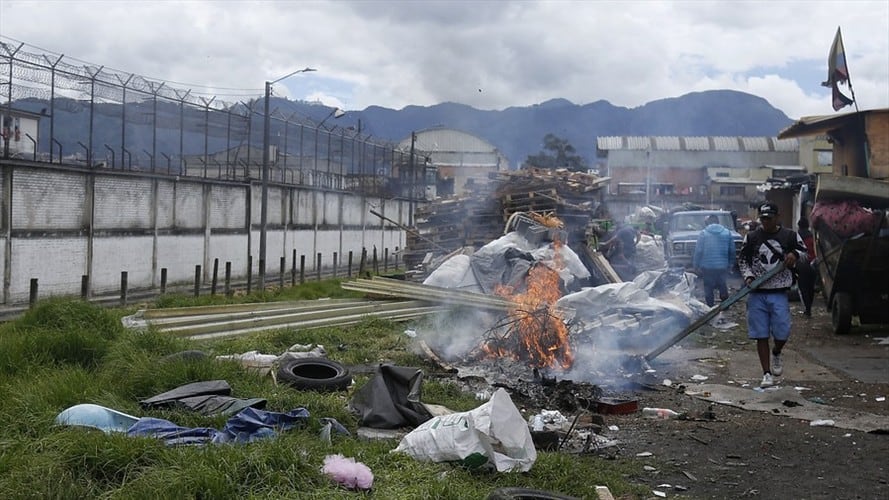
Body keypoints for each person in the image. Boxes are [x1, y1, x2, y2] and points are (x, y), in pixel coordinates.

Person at [739, 202, 808, 387]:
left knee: (782, 332)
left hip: (779, 292)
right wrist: (748, 276)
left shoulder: (790, 236)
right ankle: (766, 373)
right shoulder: (752, 237)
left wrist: (794, 254)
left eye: (769, 219)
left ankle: (777, 351)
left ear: (777, 218)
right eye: (763, 219)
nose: (766, 222)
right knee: (761, 335)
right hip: (757, 293)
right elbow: (743, 260)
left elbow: (805, 254)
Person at [693, 214, 736, 308]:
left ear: (707, 222)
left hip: (707, 266)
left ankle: (710, 307)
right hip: (722, 266)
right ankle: (725, 305)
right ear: (718, 222)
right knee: (722, 284)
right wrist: (731, 264)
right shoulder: (727, 233)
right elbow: (732, 250)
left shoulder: (704, 233)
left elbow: (698, 251)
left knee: (708, 286)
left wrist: (696, 265)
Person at [795, 217, 817, 317]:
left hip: (801, 264)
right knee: (810, 287)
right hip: (813, 263)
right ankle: (809, 308)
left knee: (802, 288)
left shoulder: (796, 236)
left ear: (799, 226)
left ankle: (807, 310)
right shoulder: (812, 236)